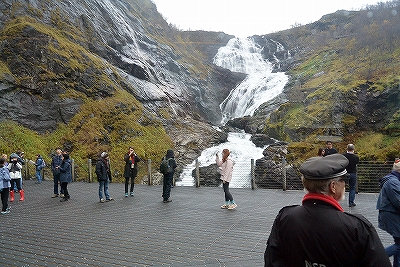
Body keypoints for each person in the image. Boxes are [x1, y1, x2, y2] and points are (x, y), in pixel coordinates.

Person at [264, 154, 391, 267]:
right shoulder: (356, 227)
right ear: (333, 186)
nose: (345, 185)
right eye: (343, 180)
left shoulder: (285, 217)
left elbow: (272, 260)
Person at [377, 158, 400, 267]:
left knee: (399, 243)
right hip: (392, 216)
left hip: (392, 214)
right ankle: (374, 259)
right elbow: (398, 202)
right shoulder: (393, 182)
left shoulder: (394, 180)